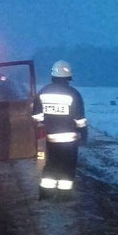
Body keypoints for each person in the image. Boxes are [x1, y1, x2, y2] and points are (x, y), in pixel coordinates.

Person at [32, 60, 87, 199]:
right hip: (69, 139)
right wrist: (84, 134)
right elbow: (80, 118)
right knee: (67, 166)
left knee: (51, 164)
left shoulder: (43, 91)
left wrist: (45, 124)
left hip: (51, 137)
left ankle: (46, 194)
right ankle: (63, 196)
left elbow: (36, 115)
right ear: (69, 77)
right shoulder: (74, 93)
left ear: (53, 76)